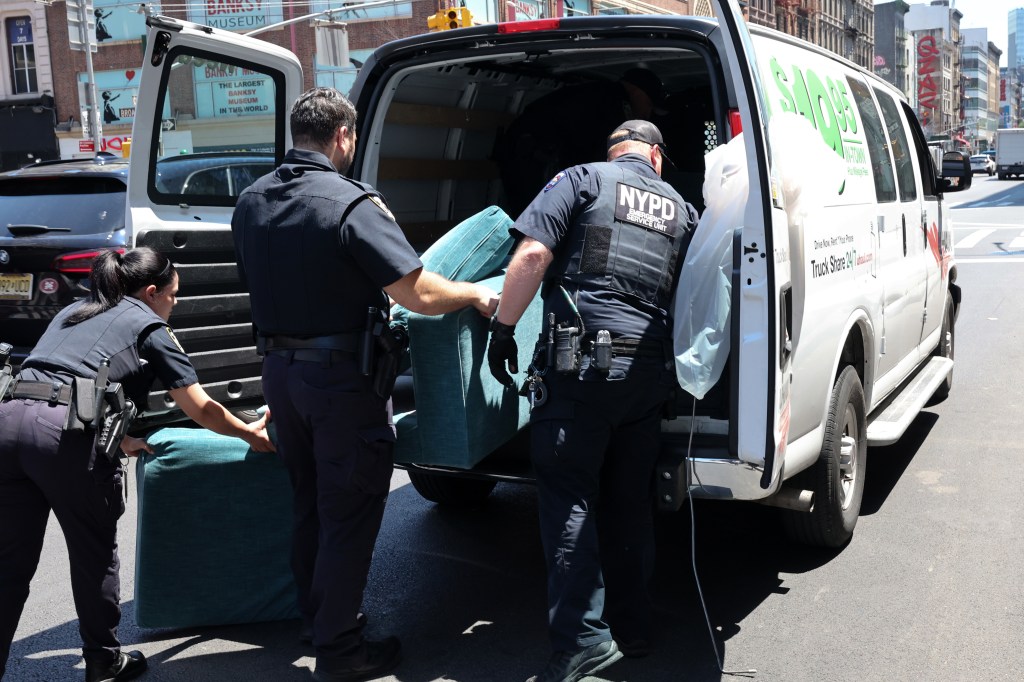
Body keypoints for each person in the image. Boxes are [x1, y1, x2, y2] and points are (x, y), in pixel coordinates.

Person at [230, 86, 497, 682]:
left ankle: (315, 619)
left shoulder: (250, 201)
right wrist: (477, 292)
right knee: (348, 511)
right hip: (340, 384)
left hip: (280, 377)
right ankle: (342, 650)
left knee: (310, 504)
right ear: (343, 136)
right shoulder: (350, 204)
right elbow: (419, 293)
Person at [0, 247, 274, 682]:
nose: (176, 303)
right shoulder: (151, 326)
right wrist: (249, 433)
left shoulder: (74, 311)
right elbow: (200, 407)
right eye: (174, 294)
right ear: (152, 292)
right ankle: (104, 661)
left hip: (9, 420)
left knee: (8, 563)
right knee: (94, 552)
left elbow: (67, 378)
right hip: (60, 436)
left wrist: (121, 438)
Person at [487, 120, 699, 682]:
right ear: (656, 157)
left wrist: (503, 329)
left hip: (581, 372)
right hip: (648, 375)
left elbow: (533, 256)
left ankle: (582, 639)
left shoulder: (582, 180)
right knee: (629, 501)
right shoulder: (683, 210)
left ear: (615, 153)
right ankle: (634, 628)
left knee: (568, 494)